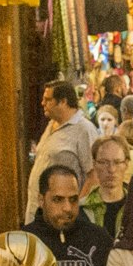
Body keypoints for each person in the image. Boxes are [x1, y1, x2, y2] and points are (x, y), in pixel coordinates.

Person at [30, 78, 98, 217]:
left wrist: (74, 206)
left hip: (63, 215)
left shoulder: (83, 129)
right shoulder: (51, 125)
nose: (43, 103)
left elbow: (93, 175)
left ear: (63, 101)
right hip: (39, 211)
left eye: (48, 100)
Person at [84, 133, 133, 232]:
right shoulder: (82, 210)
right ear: (94, 164)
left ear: (126, 164)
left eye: (117, 162)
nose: (111, 169)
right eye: (104, 162)